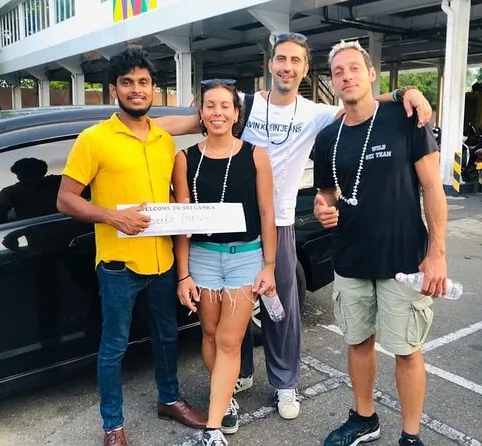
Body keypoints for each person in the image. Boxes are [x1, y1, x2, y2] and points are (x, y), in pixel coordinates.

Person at [155, 32, 434, 420]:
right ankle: (238, 377)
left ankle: (285, 384)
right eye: (281, 59)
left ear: (305, 68)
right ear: (270, 64)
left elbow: (360, 100)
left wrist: (406, 92)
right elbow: (186, 123)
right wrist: (130, 125)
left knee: (280, 310)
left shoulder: (315, 113)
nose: (287, 67)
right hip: (236, 228)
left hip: (281, 224)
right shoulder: (245, 105)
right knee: (233, 314)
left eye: (296, 61)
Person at [56, 48, 206, 446]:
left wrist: (182, 210)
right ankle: (113, 426)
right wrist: (112, 216)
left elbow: (169, 194)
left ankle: (169, 399)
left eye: (143, 82)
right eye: (127, 83)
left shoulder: (163, 140)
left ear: (154, 88)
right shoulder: (94, 139)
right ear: (114, 90)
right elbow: (65, 199)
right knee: (114, 347)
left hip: (163, 261)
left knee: (168, 336)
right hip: (119, 265)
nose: (136, 90)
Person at [312, 40, 447, 446]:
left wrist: (437, 254)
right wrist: (322, 208)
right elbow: (326, 194)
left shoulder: (404, 118)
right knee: (358, 343)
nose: (347, 76)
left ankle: (411, 436)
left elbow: (433, 189)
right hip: (350, 258)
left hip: (403, 259)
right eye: (338, 71)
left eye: (355, 68)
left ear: (372, 74)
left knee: (407, 349)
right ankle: (364, 418)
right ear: (332, 81)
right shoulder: (329, 136)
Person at [172, 79, 277, 446]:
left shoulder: (255, 156)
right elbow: (182, 220)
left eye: (224, 106)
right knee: (210, 334)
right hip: (201, 257)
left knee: (231, 340)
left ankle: (213, 427)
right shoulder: (185, 158)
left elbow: (267, 212)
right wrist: (183, 274)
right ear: (201, 114)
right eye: (210, 106)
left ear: (236, 113)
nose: (217, 112)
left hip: (245, 257)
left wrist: (269, 264)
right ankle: (225, 396)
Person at [0, 157, 61, 224]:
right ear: (44, 172)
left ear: (21, 175)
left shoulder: (10, 192)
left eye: (18, 174)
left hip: (32, 230)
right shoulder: (59, 181)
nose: (17, 177)